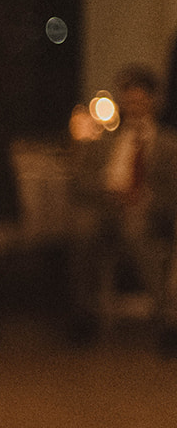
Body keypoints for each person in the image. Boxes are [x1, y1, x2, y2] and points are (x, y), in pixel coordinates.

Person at [67, 64, 177, 351]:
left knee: (136, 228)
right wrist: (108, 193)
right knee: (83, 228)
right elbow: (81, 182)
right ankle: (84, 313)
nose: (134, 106)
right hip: (107, 208)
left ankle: (167, 319)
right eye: (129, 101)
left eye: (140, 101)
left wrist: (146, 198)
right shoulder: (105, 142)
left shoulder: (168, 145)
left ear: (153, 101)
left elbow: (171, 192)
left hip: (147, 213)